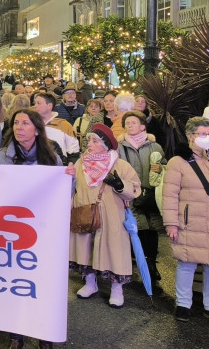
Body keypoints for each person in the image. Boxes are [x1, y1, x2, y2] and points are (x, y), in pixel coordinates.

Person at [0, 108, 60, 349]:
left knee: (43, 283)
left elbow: (62, 195)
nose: (19, 127)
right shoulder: (1, 157)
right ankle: (16, 335)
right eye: (16, 123)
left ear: (37, 129)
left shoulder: (52, 159)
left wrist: (69, 178)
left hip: (42, 230)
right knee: (16, 283)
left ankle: (44, 333)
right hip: (12, 231)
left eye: (25, 123)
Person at [162, 116, 209, 326]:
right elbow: (170, 194)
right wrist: (171, 223)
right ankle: (183, 304)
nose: (208, 138)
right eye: (203, 134)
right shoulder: (178, 162)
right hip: (189, 222)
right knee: (186, 263)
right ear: (191, 136)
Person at [66, 123, 141, 308]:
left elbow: (135, 189)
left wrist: (119, 184)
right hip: (84, 212)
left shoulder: (120, 165)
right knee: (85, 249)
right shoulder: (81, 163)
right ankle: (90, 283)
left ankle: (117, 289)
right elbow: (71, 184)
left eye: (94, 140)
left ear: (105, 144)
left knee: (114, 250)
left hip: (111, 216)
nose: (89, 144)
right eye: (89, 140)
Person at [117, 111, 167, 282]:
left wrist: (161, 169)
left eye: (134, 122)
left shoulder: (155, 147)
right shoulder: (120, 147)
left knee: (152, 229)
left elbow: (165, 165)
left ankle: (151, 263)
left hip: (150, 195)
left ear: (143, 126)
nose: (130, 125)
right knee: (135, 229)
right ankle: (133, 265)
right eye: (127, 123)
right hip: (129, 195)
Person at [33, 92, 80, 164]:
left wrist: (69, 168)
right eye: (35, 103)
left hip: (58, 168)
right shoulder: (31, 124)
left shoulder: (64, 125)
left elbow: (74, 152)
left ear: (49, 106)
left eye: (39, 103)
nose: (35, 106)